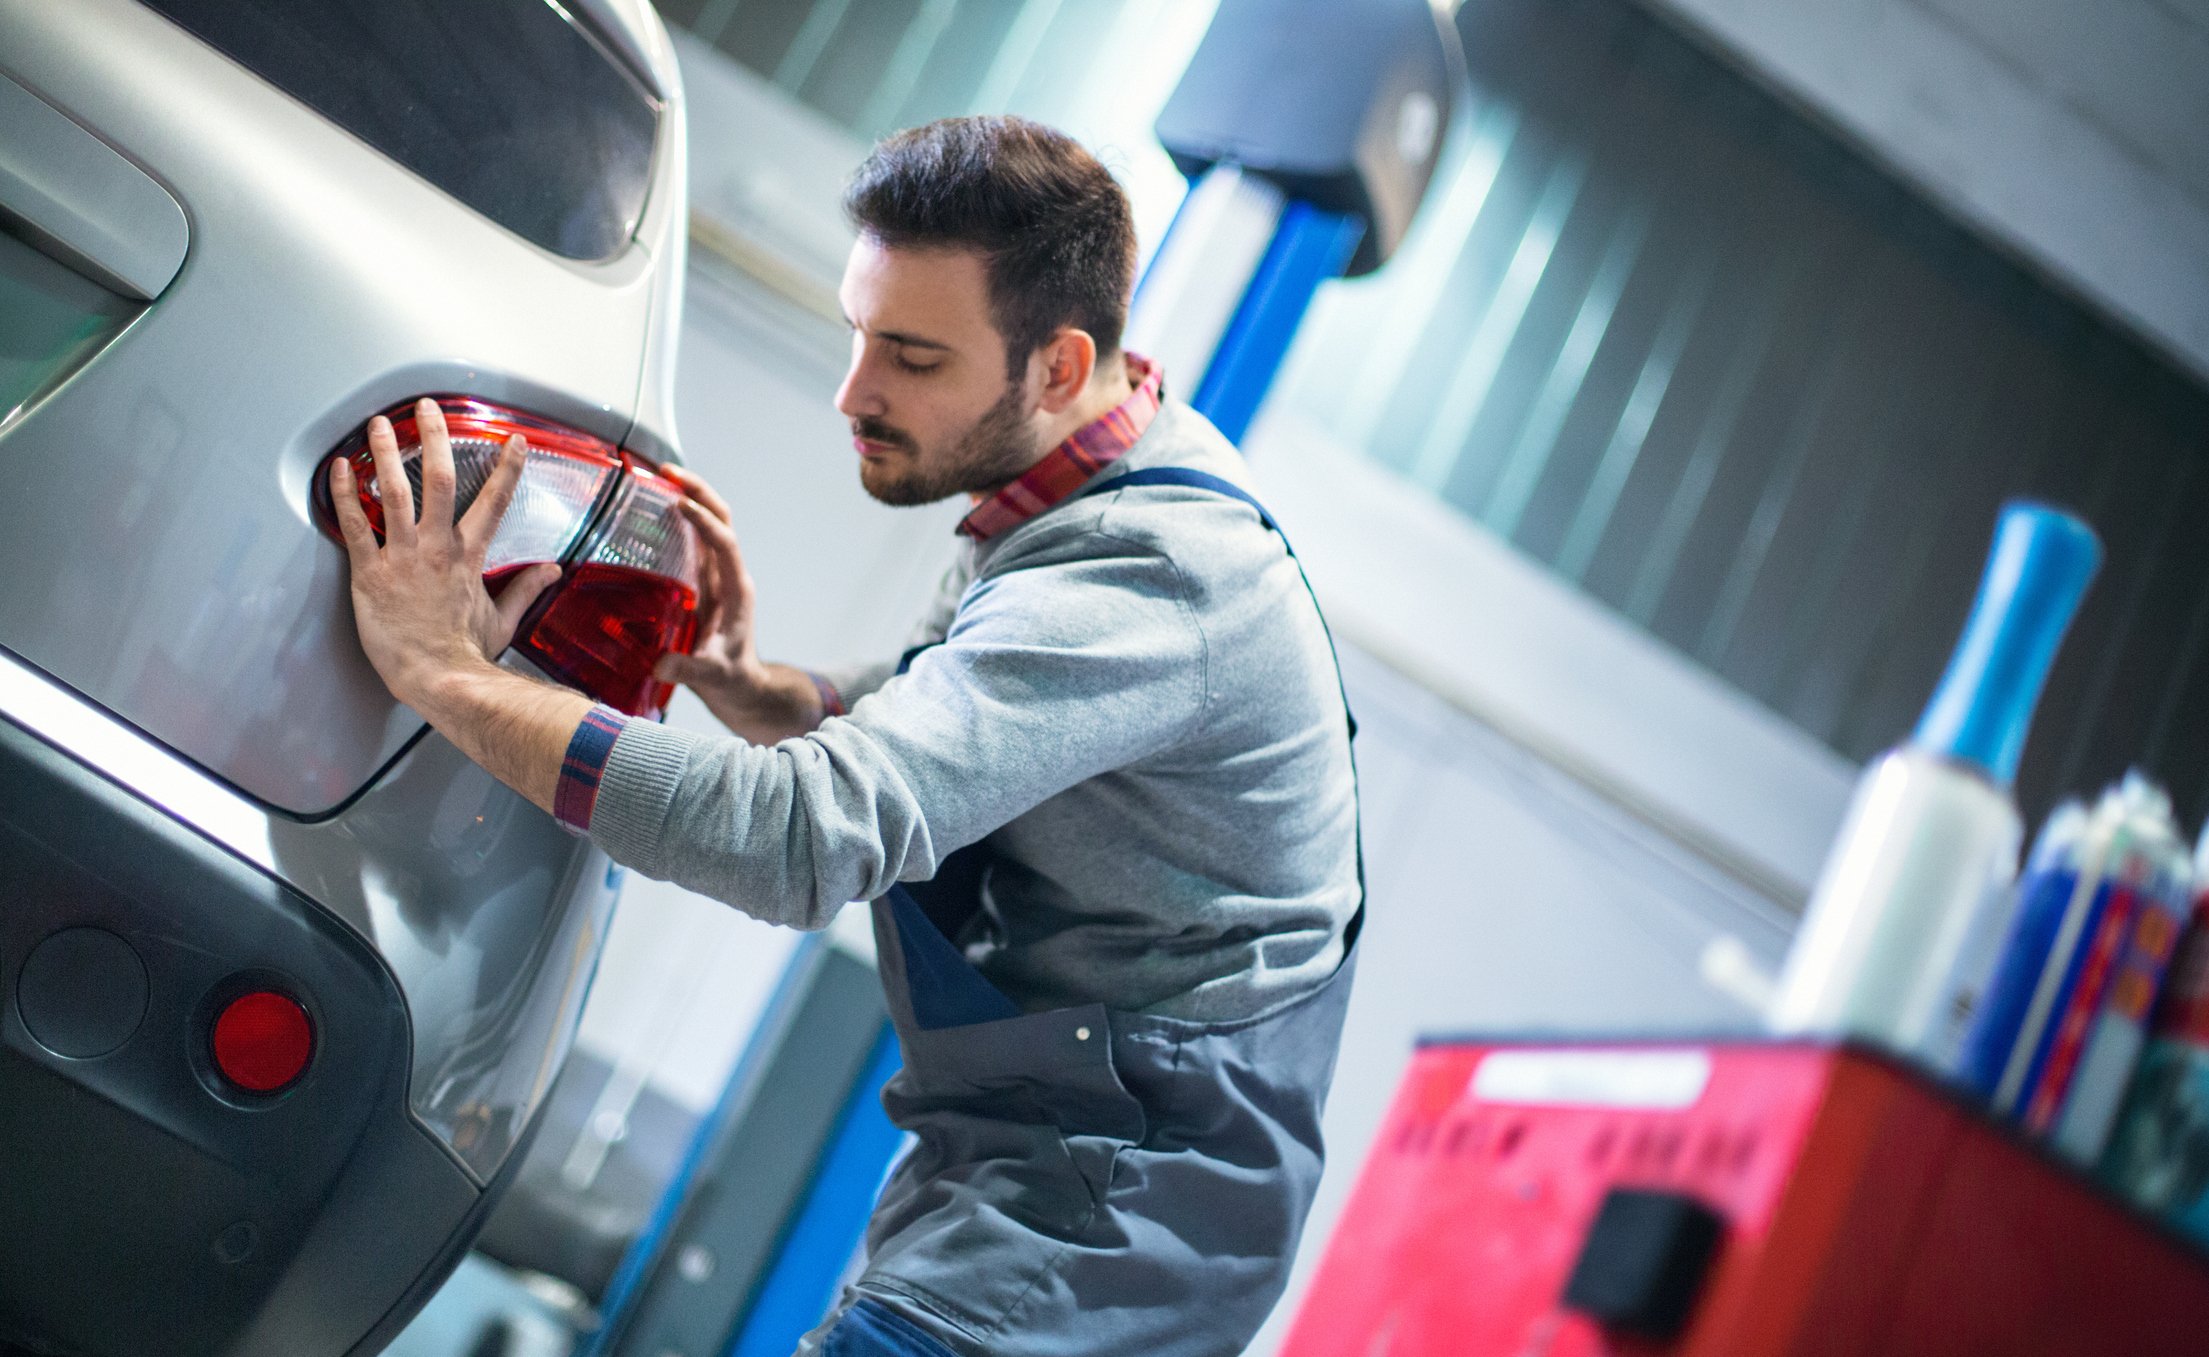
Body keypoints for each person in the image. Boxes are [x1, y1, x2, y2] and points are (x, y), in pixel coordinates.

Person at [329, 116, 1361, 1357]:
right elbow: (967, 715)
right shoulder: (1075, 484)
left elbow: (801, 840)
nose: (853, 392)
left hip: (1096, 1240)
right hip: (1025, 1191)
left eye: (912, 357)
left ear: (1054, 362)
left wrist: (441, 670)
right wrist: (763, 691)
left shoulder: (1153, 574)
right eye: (857, 331)